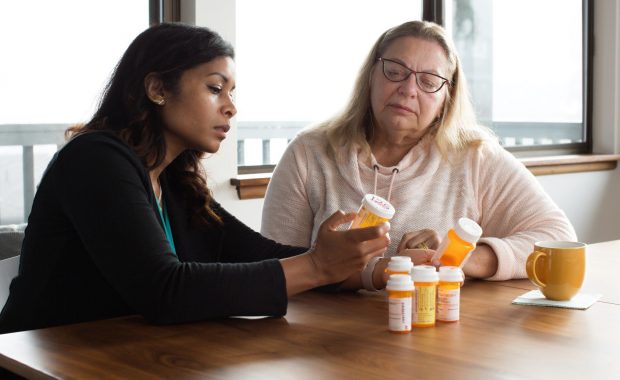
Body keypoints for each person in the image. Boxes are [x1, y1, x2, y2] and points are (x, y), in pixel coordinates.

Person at [0, 23, 391, 334]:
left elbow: (255, 252)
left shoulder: (172, 181)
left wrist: (369, 270)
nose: (231, 107)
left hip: (128, 357)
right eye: (215, 88)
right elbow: (165, 290)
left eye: (232, 92)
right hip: (42, 363)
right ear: (156, 88)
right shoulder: (95, 161)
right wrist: (318, 266)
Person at [261, 20, 576, 291]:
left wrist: (458, 258)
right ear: (371, 75)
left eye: (428, 81)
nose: (408, 89)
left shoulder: (475, 157)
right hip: (325, 340)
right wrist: (385, 270)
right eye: (395, 71)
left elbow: (557, 235)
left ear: (446, 97)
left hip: (438, 332)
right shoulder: (309, 153)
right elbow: (272, 266)